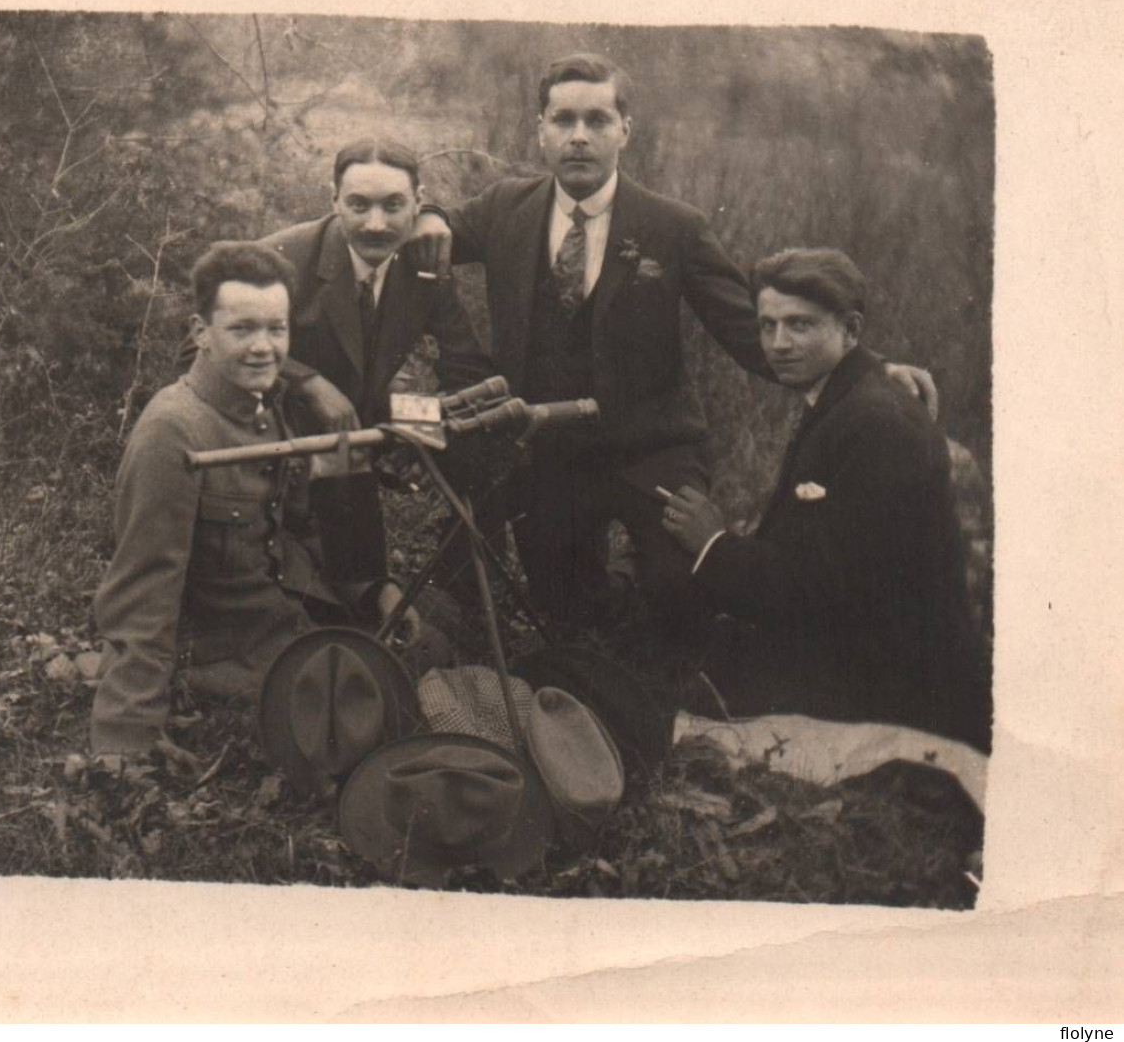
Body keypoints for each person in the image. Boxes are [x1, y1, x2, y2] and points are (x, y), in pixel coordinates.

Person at [408, 53, 939, 633]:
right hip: (548, 454)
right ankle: (607, 629)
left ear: (625, 131)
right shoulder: (503, 209)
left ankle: (647, 599)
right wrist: (429, 215)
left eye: (597, 121)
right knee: (567, 613)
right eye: (563, 120)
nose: (579, 137)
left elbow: (748, 330)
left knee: (679, 593)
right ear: (540, 130)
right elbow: (419, 231)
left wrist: (867, 371)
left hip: (652, 452)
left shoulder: (673, 227)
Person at [90, 241, 419, 758]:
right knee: (381, 713)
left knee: (429, 640)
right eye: (241, 329)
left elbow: (303, 528)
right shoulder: (174, 431)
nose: (263, 347)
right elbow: (143, 591)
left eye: (277, 329)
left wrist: (371, 590)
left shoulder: (270, 405)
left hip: (288, 615)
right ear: (201, 333)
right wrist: (124, 742)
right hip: (228, 652)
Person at [660, 248, 990, 749]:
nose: (778, 344)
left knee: (645, 710)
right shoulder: (847, 397)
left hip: (892, 695)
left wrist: (714, 544)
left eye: (800, 325)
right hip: (870, 658)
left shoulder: (876, 424)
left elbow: (826, 596)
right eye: (767, 325)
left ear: (851, 330)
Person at [182, 137, 493, 433]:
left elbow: (467, 372)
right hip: (269, 446)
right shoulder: (280, 259)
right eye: (358, 206)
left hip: (354, 450)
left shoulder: (424, 267)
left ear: (419, 202)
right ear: (334, 200)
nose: (376, 224)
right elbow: (197, 352)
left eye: (393, 205)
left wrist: (420, 435)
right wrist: (307, 383)